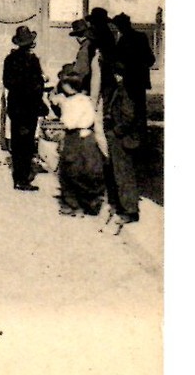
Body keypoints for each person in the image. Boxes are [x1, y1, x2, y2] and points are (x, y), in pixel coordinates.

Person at [50, 65, 106, 218]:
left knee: (68, 171)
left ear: (67, 86)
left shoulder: (71, 103)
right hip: (87, 136)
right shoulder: (85, 100)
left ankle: (72, 205)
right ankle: (88, 202)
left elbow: (68, 122)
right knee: (85, 170)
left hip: (74, 137)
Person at [2, 25, 48, 191]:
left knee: (17, 141)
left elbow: (7, 82)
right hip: (29, 106)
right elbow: (39, 84)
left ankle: (18, 177)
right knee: (27, 143)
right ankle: (23, 178)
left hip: (15, 105)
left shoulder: (9, 59)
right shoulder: (32, 60)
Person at [101, 61, 141, 231]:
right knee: (119, 173)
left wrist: (116, 131)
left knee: (123, 174)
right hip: (118, 137)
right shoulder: (121, 88)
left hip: (122, 139)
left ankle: (129, 210)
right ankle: (125, 207)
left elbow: (128, 116)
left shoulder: (125, 91)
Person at [111, 12, 155, 149]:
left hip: (130, 80)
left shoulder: (124, 40)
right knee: (140, 109)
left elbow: (116, 61)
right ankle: (142, 141)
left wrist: (124, 68)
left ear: (121, 26)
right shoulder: (141, 37)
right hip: (140, 80)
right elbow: (150, 59)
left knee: (129, 109)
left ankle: (132, 140)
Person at [69, 18, 96, 90]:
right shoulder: (91, 44)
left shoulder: (84, 49)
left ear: (78, 36)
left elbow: (81, 72)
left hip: (85, 87)